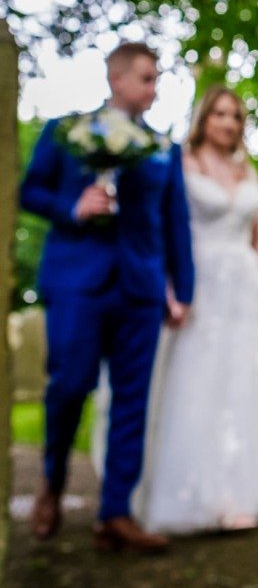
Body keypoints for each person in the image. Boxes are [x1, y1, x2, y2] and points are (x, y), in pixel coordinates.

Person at [20, 42, 194, 552]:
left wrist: (181, 289)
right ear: (116, 80)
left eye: (156, 78)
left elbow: (175, 222)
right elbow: (30, 191)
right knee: (69, 385)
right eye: (146, 77)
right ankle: (51, 481)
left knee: (132, 400)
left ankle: (115, 511)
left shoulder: (164, 147)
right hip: (77, 281)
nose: (153, 87)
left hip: (139, 287)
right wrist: (72, 205)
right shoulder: (65, 131)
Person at [126, 84, 258, 534]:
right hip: (199, 284)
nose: (229, 123)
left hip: (245, 288)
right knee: (199, 383)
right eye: (220, 114)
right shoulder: (180, 164)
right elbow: (167, 229)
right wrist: (169, 287)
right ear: (204, 118)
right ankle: (195, 493)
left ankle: (242, 490)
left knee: (245, 385)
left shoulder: (248, 170)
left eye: (237, 116)